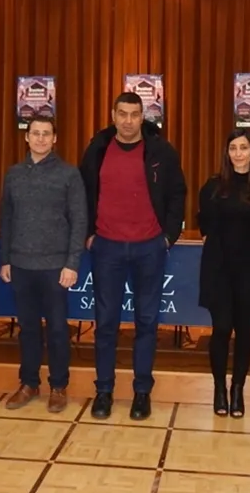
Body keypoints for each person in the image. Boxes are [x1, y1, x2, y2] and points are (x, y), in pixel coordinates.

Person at [79, 92, 187, 421]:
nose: (128, 120)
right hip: (107, 247)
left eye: (134, 114)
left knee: (146, 322)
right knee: (106, 323)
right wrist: (88, 234)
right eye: (122, 114)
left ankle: (142, 392)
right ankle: (104, 391)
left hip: (149, 248)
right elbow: (81, 193)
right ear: (113, 115)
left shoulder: (161, 151)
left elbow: (177, 193)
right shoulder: (97, 149)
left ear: (143, 117)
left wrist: (168, 237)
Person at [0, 114, 87, 414]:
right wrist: (6, 259)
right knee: (27, 328)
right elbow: (7, 219)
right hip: (21, 265)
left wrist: (72, 263)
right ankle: (29, 382)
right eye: (35, 133)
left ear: (54, 138)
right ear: (26, 137)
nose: (39, 138)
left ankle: (59, 386)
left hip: (55, 267)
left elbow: (79, 221)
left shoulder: (69, 174)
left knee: (59, 329)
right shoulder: (13, 174)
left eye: (45, 134)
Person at [198, 129, 250, 418]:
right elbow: (205, 226)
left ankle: (238, 389)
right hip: (218, 270)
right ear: (227, 153)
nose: (238, 153)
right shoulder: (213, 187)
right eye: (233, 148)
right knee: (221, 329)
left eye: (243, 147)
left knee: (244, 331)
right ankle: (219, 388)